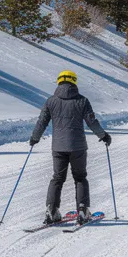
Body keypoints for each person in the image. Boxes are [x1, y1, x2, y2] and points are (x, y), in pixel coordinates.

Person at [30, 70, 111, 226]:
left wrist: (35, 137)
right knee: (80, 177)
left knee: (57, 178)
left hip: (58, 147)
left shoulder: (51, 101)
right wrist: (103, 135)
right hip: (78, 147)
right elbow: (92, 122)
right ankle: (82, 210)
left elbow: (42, 121)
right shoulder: (82, 101)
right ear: (74, 81)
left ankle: (52, 210)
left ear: (59, 81)